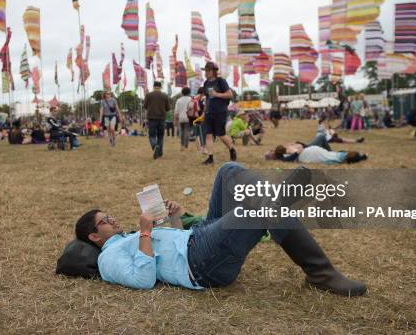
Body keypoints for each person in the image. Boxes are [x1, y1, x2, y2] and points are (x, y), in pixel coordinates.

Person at [74, 163, 367, 296]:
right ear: (94, 237)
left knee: (227, 172)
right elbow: (143, 279)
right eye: (104, 221)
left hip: (197, 237)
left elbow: (173, 243)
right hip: (200, 264)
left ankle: (272, 203)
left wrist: (174, 218)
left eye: (109, 215)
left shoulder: (127, 238)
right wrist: (147, 233)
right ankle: (320, 273)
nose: (112, 219)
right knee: (255, 210)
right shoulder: (107, 258)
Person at [202, 61, 236, 165]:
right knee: (208, 134)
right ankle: (210, 157)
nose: (206, 72)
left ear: (213, 71)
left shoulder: (221, 81)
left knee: (221, 135)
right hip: (209, 112)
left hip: (220, 111)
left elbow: (230, 94)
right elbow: (207, 98)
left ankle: (232, 149)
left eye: (208, 70)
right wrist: (204, 111)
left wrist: (217, 94)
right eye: (206, 70)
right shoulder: (206, 83)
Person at [143, 81, 171, 159]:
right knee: (160, 136)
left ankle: (155, 146)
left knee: (152, 135)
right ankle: (160, 153)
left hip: (152, 118)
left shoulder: (148, 95)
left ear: (153, 86)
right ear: (160, 87)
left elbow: (145, 106)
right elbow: (168, 108)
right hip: (162, 118)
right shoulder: (165, 96)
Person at [174, 87, 193, 151]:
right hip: (189, 117)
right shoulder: (191, 99)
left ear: (182, 92)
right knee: (187, 131)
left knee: (182, 132)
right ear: (189, 92)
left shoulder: (178, 100)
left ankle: (182, 145)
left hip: (181, 118)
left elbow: (176, 111)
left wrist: (175, 120)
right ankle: (186, 144)